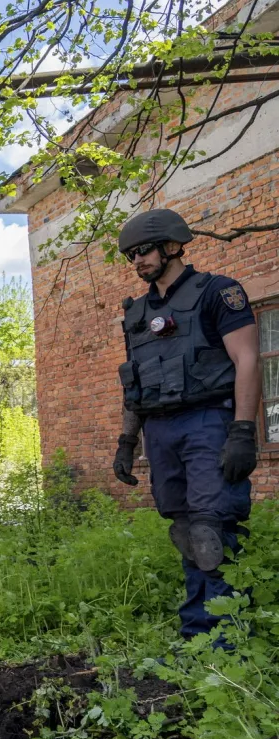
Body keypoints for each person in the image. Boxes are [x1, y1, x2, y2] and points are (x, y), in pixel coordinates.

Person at [111, 208, 261, 639]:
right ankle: (200, 628)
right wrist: (127, 440)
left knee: (212, 525)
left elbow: (247, 360)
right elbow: (134, 382)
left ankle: (221, 637)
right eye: (130, 256)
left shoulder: (218, 292)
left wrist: (242, 430)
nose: (136, 261)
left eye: (142, 251)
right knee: (183, 527)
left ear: (173, 246)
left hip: (208, 420)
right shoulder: (137, 313)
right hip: (160, 428)